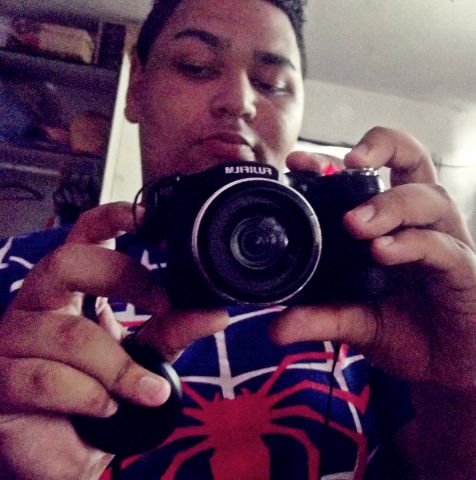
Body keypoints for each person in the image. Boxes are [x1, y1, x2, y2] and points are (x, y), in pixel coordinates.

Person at [0, 0, 475, 478]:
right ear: (136, 85)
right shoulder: (19, 273)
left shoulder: (373, 295)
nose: (240, 100)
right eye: (196, 66)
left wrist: (461, 385)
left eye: (272, 84)